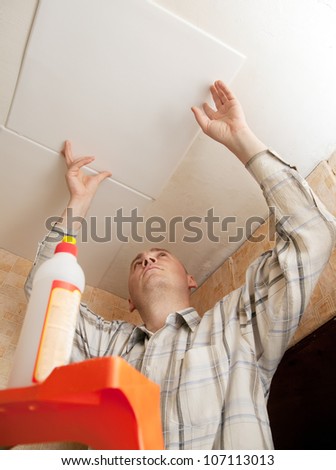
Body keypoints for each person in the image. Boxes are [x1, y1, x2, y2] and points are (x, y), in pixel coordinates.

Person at [25, 81, 335, 450]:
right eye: (138, 262)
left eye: (161, 255)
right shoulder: (108, 348)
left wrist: (241, 139)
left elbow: (311, 235)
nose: (148, 259)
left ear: (190, 279)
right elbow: (44, 294)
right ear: (130, 301)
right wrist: (76, 206)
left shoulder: (239, 325)